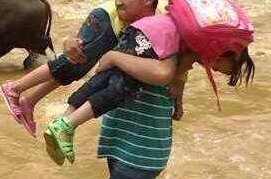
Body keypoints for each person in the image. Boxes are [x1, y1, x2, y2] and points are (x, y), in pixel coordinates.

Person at [91, 45, 255, 179]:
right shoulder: (175, 52)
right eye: (223, 67)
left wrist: (113, 57)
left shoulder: (173, 58)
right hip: (129, 142)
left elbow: (166, 73)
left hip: (138, 150)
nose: (215, 70)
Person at [0, 0, 165, 138]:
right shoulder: (119, 12)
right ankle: (15, 88)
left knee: (81, 69)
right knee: (75, 60)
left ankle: (30, 102)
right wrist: (69, 41)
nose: (119, 1)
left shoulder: (161, 21)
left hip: (122, 27)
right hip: (107, 19)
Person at [43, 13, 182, 164]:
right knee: (121, 87)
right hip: (147, 43)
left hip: (133, 31)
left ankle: (62, 120)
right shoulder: (198, 33)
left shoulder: (164, 17)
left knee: (105, 74)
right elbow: (177, 70)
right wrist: (178, 101)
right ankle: (67, 125)